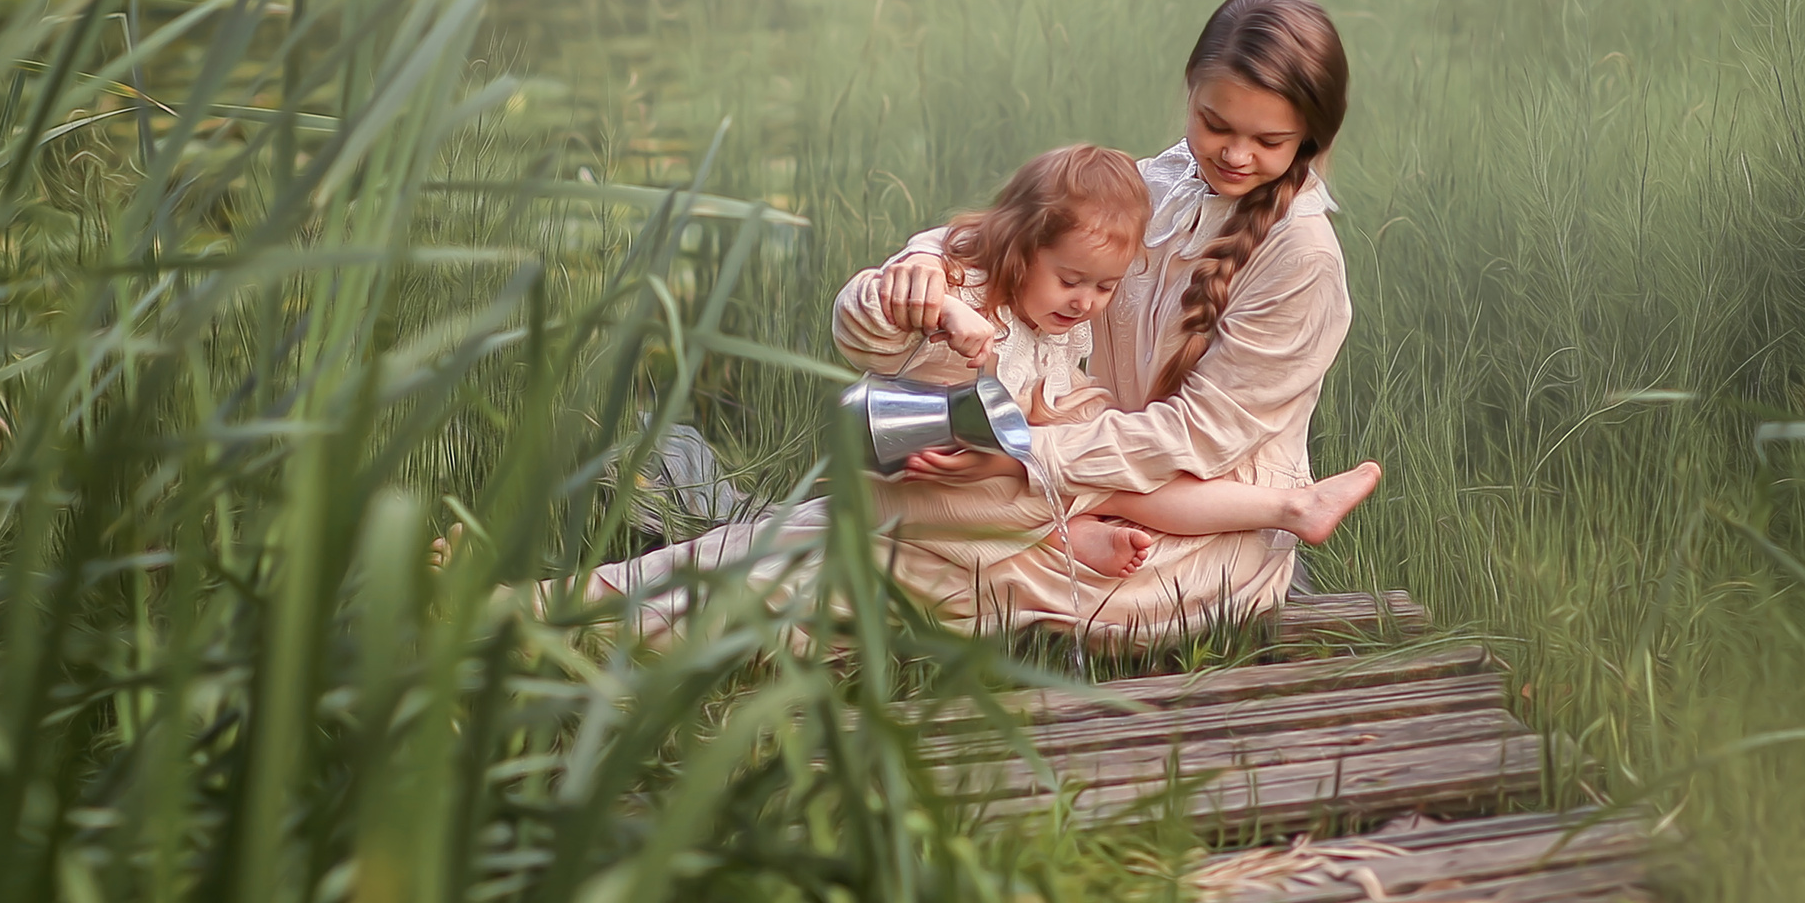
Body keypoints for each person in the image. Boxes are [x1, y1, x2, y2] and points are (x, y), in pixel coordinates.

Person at [569, 137, 1375, 634]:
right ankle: (1109, 528)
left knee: (1108, 473)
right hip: (939, 463)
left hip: (1029, 447)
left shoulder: (1286, 255)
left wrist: (1041, 438)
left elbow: (1162, 429)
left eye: (1104, 287)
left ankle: (1275, 508)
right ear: (1020, 247)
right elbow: (867, 321)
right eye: (1073, 281)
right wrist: (923, 282)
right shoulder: (973, 279)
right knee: (835, 539)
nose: (1086, 303)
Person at [874, 0, 1359, 641]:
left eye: (1268, 140)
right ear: (1191, 91)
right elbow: (1023, 233)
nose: (1235, 155)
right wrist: (926, 260)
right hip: (1081, 471)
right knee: (895, 485)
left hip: (1199, 522)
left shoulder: (1302, 258)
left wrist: (1019, 453)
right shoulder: (1155, 184)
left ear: (1309, 136)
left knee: (906, 551)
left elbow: (1196, 438)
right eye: (1215, 124)